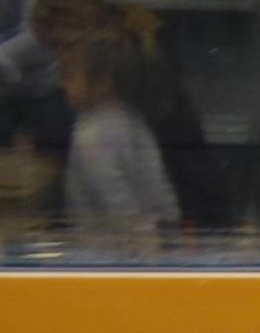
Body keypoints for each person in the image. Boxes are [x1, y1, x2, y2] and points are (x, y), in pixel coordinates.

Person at [56, 25, 184, 253]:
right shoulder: (134, 121)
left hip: (104, 253)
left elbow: (115, 200)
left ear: (103, 82)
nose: (61, 84)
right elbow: (158, 186)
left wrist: (140, 239)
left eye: (68, 76)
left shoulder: (91, 137)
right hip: (144, 244)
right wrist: (170, 232)